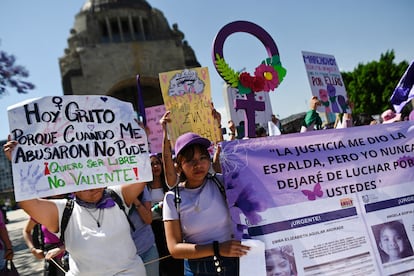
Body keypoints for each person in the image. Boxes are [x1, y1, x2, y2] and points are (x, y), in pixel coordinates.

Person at [3, 139, 147, 275]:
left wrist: (137, 140)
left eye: (96, 175)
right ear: (72, 185)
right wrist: (18, 164)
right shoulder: (63, 210)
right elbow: (28, 204)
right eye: (85, 180)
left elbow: (143, 175)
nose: (92, 185)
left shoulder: (117, 195)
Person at [160, 111, 250, 276]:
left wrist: (217, 125)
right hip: (198, 270)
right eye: (190, 160)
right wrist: (218, 249)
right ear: (179, 166)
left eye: (203, 158)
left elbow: (225, 154)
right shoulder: (173, 199)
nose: (198, 164)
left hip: (236, 263)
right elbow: (174, 249)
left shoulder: (221, 183)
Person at [148, 153, 184, 276]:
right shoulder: (144, 188)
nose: (155, 167)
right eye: (151, 164)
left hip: (172, 224)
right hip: (155, 228)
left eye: (157, 163)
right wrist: (158, 208)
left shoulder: (169, 183)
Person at [129, 185, 160, 276]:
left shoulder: (140, 186)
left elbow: (148, 219)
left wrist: (133, 199)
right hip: (124, 254)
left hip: (147, 249)